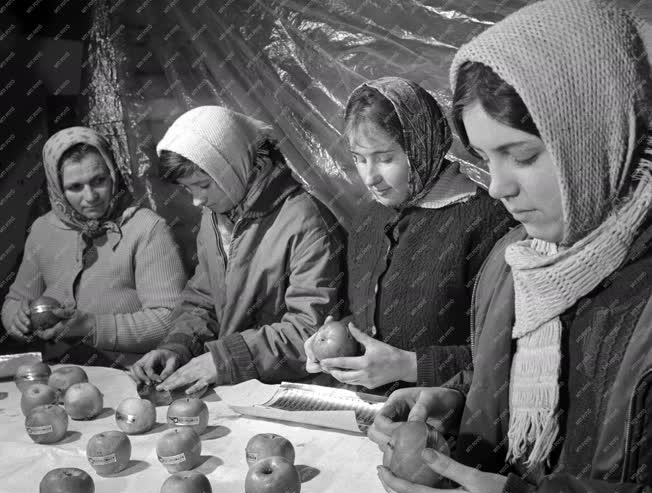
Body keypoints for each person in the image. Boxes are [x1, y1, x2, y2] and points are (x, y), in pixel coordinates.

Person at [371, 1, 652, 493]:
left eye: (521, 156)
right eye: (484, 156)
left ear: (596, 134)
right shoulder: (515, 263)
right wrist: (451, 401)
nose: (498, 186)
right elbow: (505, 379)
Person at [304, 77, 513, 392]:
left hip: (444, 428)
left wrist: (410, 366)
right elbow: (369, 320)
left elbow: (507, 355)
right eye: (359, 159)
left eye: (385, 158)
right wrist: (335, 340)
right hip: (369, 417)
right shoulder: (369, 219)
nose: (371, 177)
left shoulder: (485, 222)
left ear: (421, 144)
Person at [129, 106, 346, 394]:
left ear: (230, 167)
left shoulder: (307, 222)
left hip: (295, 393)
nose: (196, 201)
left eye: (203, 185)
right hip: (241, 387)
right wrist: (179, 345)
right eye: (188, 189)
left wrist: (226, 359)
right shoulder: (217, 217)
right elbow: (205, 300)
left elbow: (312, 332)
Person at [1, 127, 186, 367]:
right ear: (57, 188)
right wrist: (15, 318)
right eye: (75, 187)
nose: (90, 197)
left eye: (99, 181)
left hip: (131, 374)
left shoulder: (146, 228)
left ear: (113, 174)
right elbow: (17, 299)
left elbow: (169, 321)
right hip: (61, 374)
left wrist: (91, 326)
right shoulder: (42, 230)